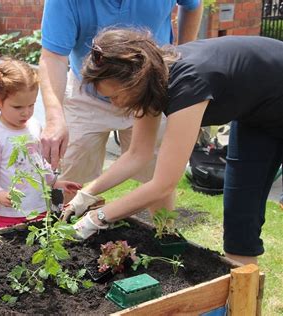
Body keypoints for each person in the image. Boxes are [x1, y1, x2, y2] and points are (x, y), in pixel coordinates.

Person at [67, 28, 283, 266]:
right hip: (259, 116)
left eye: (114, 96)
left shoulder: (189, 83)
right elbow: (137, 154)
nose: (113, 104)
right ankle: (243, 298)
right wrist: (85, 195)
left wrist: (99, 217)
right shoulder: (150, 82)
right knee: (240, 218)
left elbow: (163, 185)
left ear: (134, 80)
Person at [39, 0, 203, 205]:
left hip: (148, 93)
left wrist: (183, 55)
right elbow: (53, 56)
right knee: (72, 179)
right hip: (87, 93)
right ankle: (75, 231)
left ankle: (164, 233)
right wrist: (54, 117)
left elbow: (193, 5)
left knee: (157, 177)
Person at [0, 59, 82, 228]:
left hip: (40, 208)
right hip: (11, 214)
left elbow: (39, 164)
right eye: (18, 107)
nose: (26, 112)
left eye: (31, 105)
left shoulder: (34, 125)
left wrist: (55, 182)